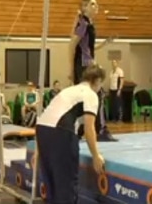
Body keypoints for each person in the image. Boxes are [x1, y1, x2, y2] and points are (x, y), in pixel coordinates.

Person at [36, 64, 106, 204]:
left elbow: (47, 117)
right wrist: (95, 155)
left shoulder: (69, 90)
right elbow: (89, 128)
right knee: (65, 183)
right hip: (60, 132)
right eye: (101, 84)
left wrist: (39, 149)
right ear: (97, 81)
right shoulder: (90, 94)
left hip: (42, 130)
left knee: (52, 184)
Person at [68, 0, 114, 141]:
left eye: (96, 4)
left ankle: (82, 129)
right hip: (83, 66)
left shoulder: (89, 23)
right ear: (84, 7)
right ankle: (100, 130)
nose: (96, 6)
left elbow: (89, 47)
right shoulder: (84, 24)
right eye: (93, 4)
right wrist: (70, 70)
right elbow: (72, 45)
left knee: (87, 98)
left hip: (88, 64)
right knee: (97, 95)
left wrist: (105, 43)